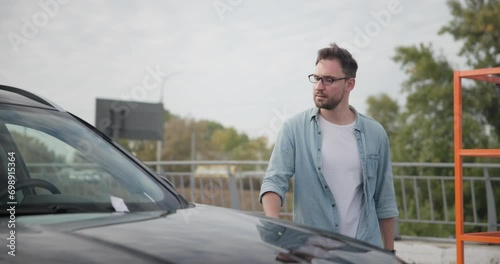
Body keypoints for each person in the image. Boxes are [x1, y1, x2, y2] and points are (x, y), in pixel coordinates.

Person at [259, 43, 399, 252]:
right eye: (316, 78)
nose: (319, 86)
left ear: (349, 84)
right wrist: (275, 228)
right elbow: (274, 181)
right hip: (313, 250)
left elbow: (384, 199)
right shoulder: (294, 128)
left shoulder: (375, 133)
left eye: (329, 80)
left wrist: (390, 254)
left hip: (363, 250)